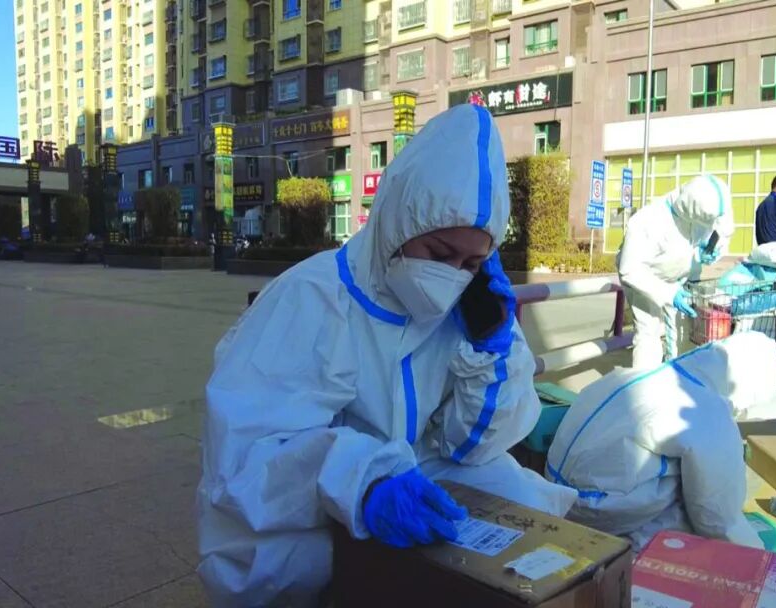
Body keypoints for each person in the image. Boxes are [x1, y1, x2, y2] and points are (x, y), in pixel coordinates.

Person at [196, 105, 577, 608]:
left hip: (410, 479)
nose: (451, 275)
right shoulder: (312, 298)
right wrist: (361, 480)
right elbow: (246, 456)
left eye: (471, 262)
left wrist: (492, 351)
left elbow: (474, 449)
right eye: (439, 254)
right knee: (278, 566)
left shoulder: (470, 306)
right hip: (308, 501)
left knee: (519, 499)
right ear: (400, 220)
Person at [546, 332, 776, 550]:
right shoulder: (705, 409)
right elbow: (718, 516)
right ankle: (642, 550)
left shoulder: (639, 375)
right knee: (693, 494)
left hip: (554, 490)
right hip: (596, 508)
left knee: (671, 462)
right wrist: (756, 553)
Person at [617, 174, 734, 371]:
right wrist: (669, 293)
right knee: (648, 333)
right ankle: (644, 383)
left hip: (682, 278)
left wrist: (710, 249)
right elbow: (630, 269)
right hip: (648, 280)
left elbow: (721, 230)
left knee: (685, 332)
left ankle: (680, 379)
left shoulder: (707, 204)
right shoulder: (647, 222)